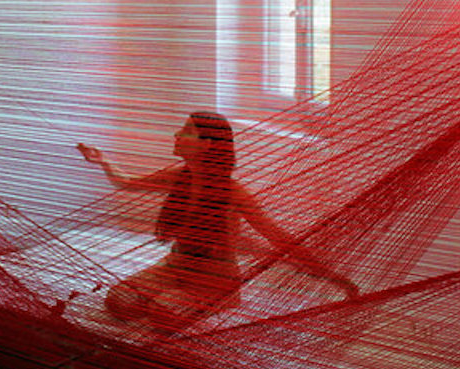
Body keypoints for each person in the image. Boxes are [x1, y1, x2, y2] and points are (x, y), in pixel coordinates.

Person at [78, 111, 298, 326]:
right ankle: (165, 298)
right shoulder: (179, 176)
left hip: (211, 279)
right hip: (175, 267)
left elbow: (273, 233)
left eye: (186, 131)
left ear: (206, 144)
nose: (177, 135)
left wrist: (316, 267)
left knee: (161, 316)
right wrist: (103, 162)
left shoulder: (233, 192)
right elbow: (128, 183)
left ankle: (206, 300)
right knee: (118, 301)